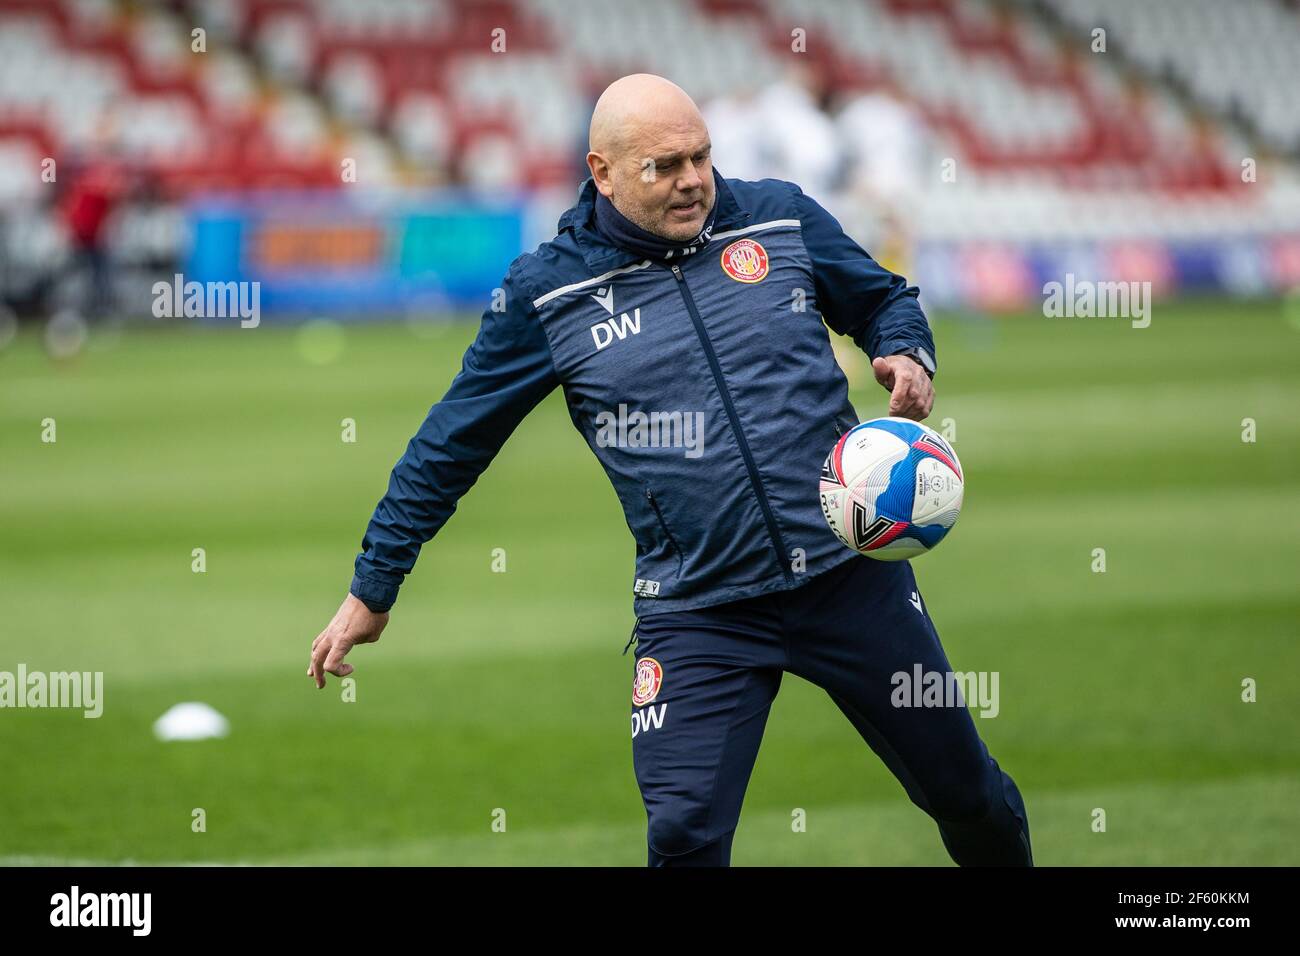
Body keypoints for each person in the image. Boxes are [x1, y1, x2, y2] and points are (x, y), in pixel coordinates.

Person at [308, 73, 1031, 867]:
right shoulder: (548, 292)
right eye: (664, 166)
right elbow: (449, 445)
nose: (693, 181)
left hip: (852, 579)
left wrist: (905, 348)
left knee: (968, 795)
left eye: (701, 157)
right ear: (603, 171)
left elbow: (883, 297)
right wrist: (374, 585)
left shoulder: (780, 214)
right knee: (684, 836)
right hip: (700, 612)